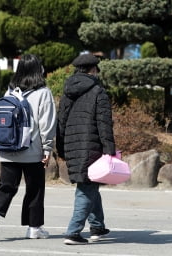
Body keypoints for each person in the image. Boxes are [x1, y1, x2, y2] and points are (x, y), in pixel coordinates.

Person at [0, 54, 57, 241]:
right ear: (37, 69)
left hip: (8, 149)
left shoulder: (9, 92)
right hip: (32, 152)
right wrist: (48, 149)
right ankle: (34, 229)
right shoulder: (43, 92)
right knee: (35, 189)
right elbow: (46, 123)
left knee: (6, 186)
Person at [56, 53, 116, 245]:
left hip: (72, 145)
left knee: (90, 184)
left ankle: (97, 226)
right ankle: (73, 232)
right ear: (93, 69)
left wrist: (61, 148)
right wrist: (109, 150)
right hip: (91, 146)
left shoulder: (67, 91)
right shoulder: (98, 91)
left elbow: (61, 122)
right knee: (86, 187)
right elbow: (104, 123)